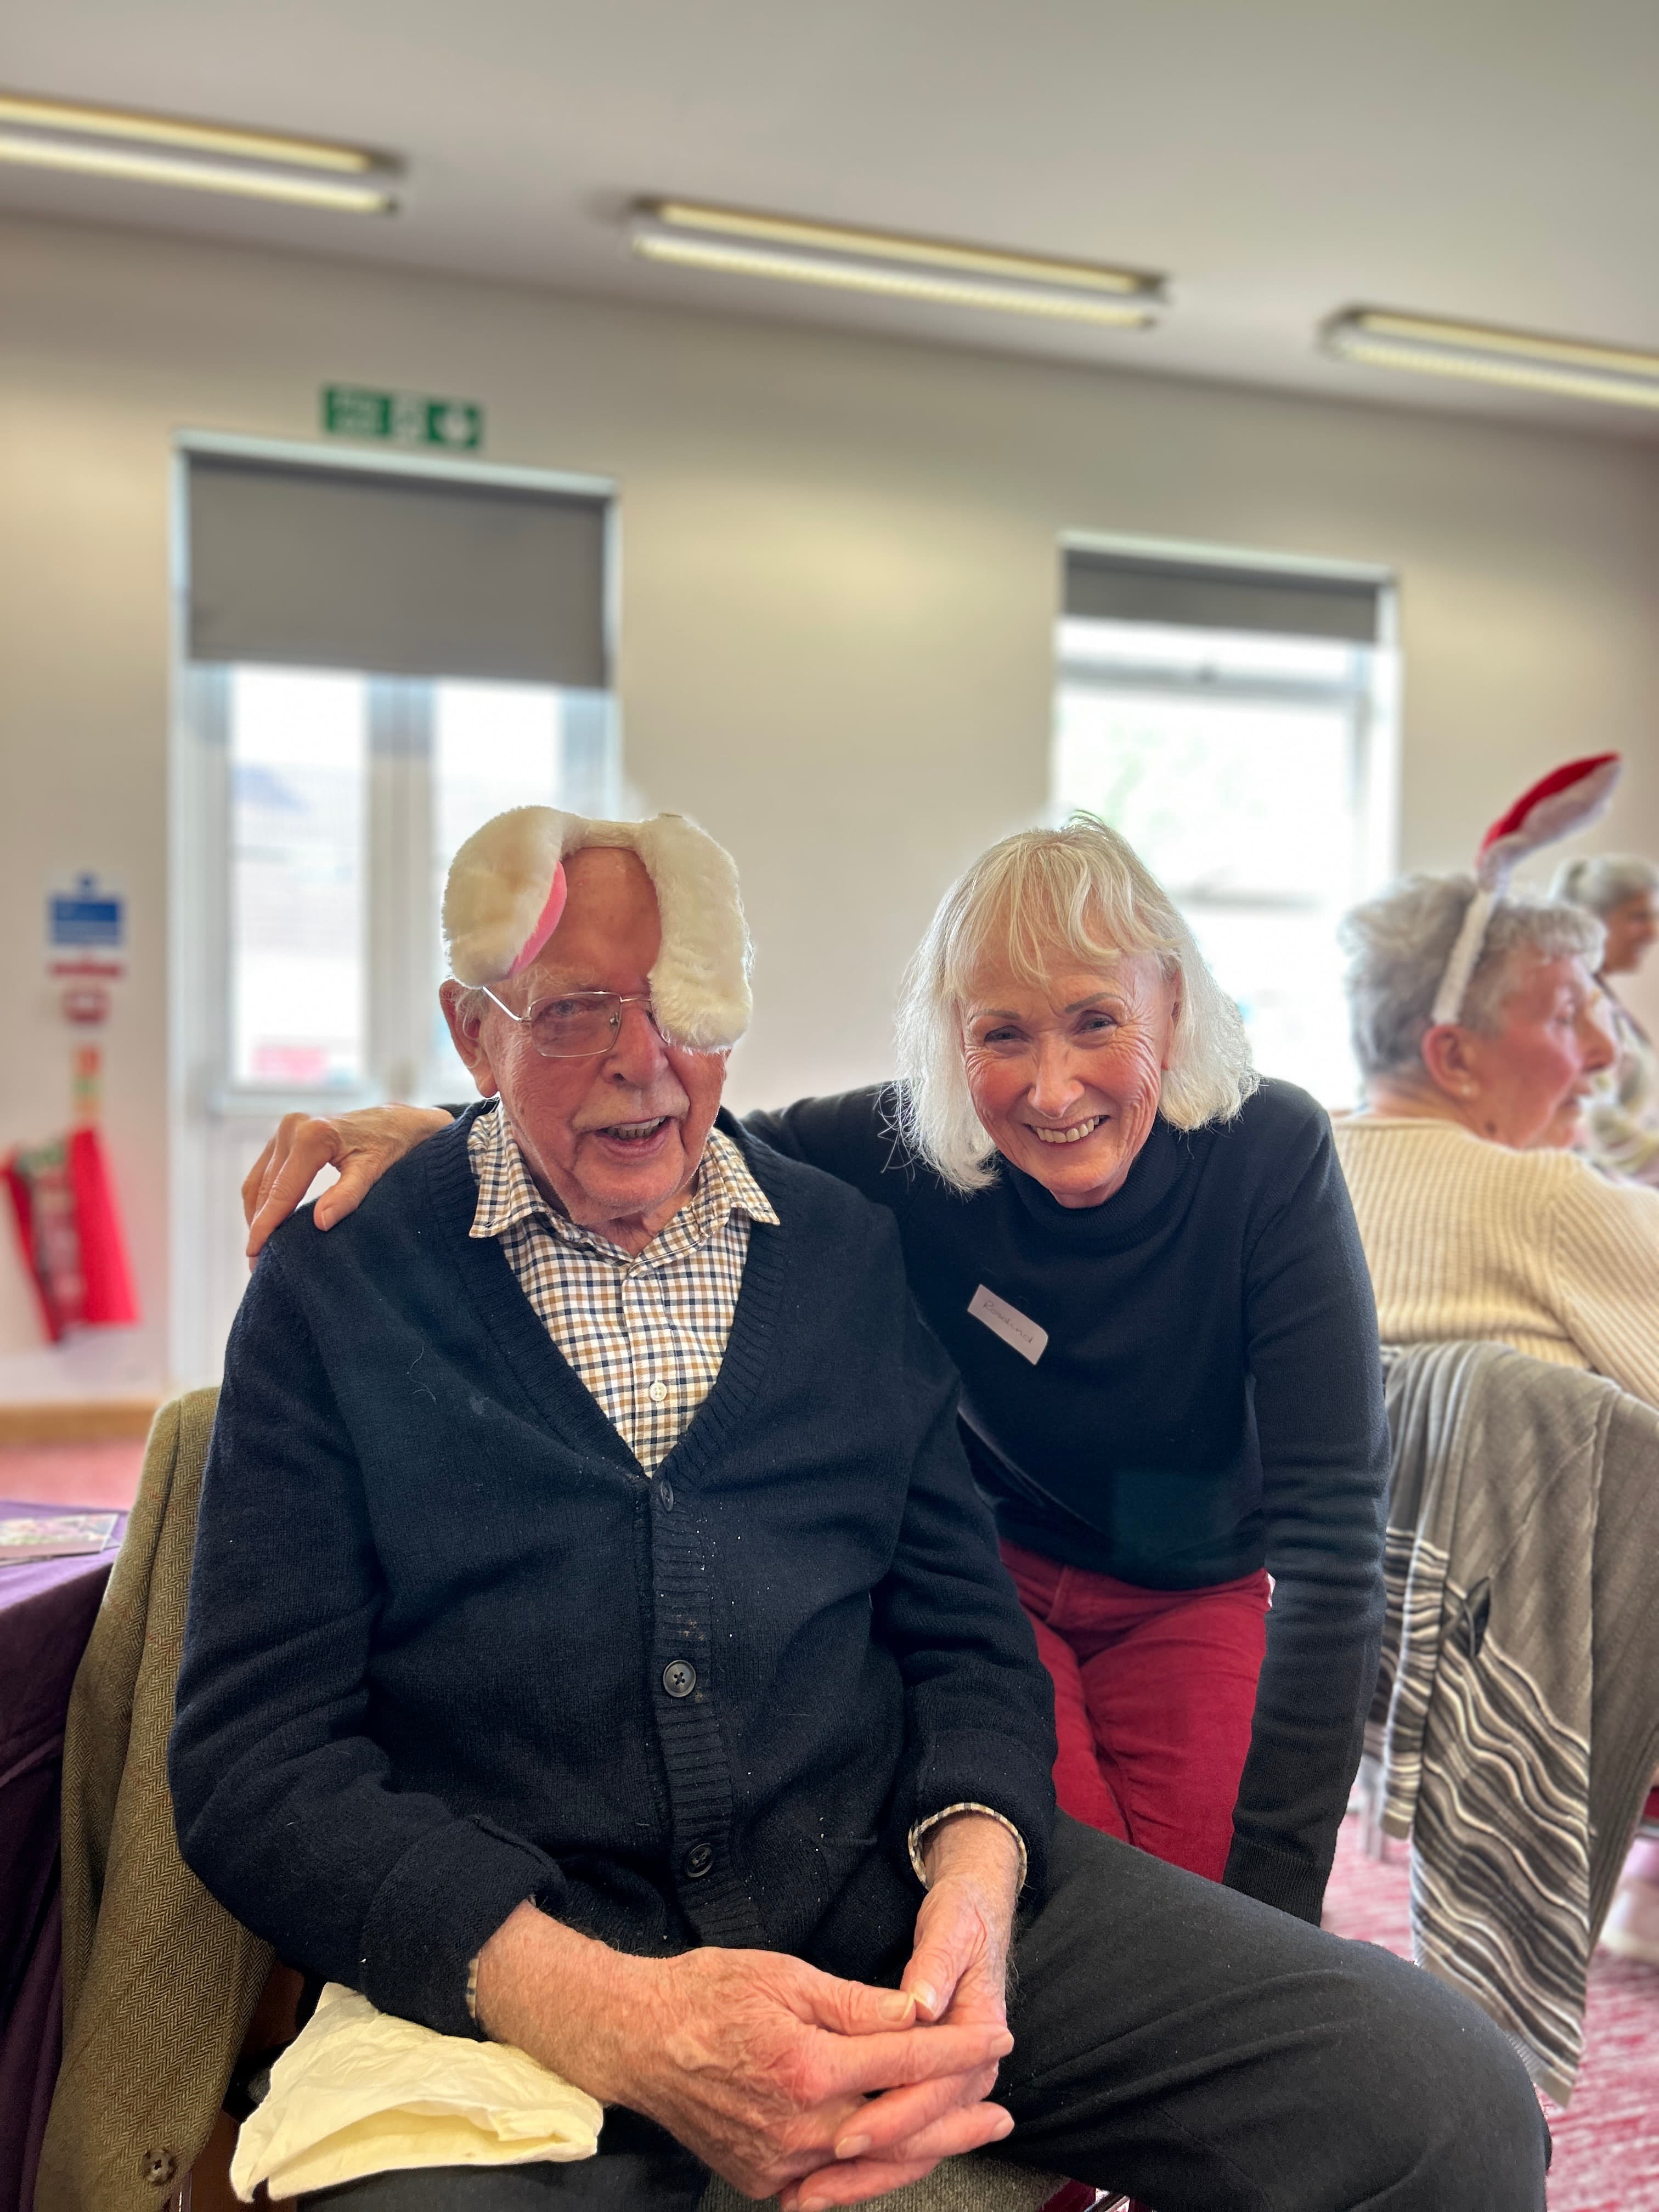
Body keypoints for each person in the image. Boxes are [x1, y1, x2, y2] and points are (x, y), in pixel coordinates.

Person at [178, 805, 1549, 2211]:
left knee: (1445, 2106)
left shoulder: (840, 1247)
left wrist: (973, 1873)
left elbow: (968, 1641)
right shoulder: (343, 1280)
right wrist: (598, 2007)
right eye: (574, 1011)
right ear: (478, 1035)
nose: (640, 1059)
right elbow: (253, 1762)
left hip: (916, 1853)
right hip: (531, 1951)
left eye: (684, 1006)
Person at [243, 817, 1392, 1931]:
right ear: (953, 1042)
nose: (1052, 1089)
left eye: (1097, 1021)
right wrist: (446, 1130)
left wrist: (1289, 1908)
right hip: (1004, 1578)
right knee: (1071, 1885)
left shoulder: (1270, 1153)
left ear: (1174, 1005)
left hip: (1190, 1590)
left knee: (1213, 1905)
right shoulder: (914, 1152)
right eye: (1002, 1035)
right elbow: (675, 1126)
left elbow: (1335, 1549)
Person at [1331, 872, 1659, 1408]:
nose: (1606, 1052)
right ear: (1456, 1059)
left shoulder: (1293, 1175)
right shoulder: (1552, 1199)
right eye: (1567, 1016)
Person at [1551, 852, 1659, 1182]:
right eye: (1638, 917)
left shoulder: (1598, 999)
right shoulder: (1574, 1008)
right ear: (1589, 921)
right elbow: (1599, 1123)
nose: (1654, 932)